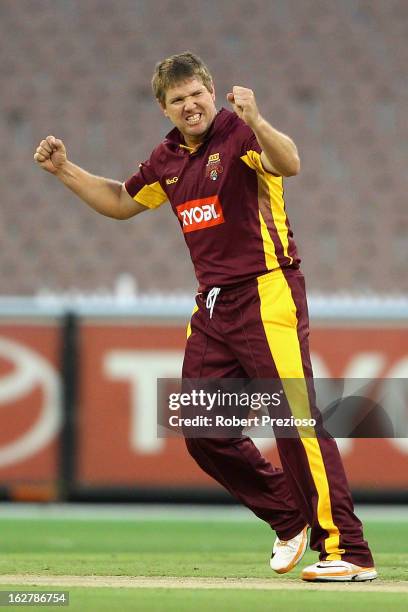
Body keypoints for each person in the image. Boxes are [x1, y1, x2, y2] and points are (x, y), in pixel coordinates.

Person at [34, 51, 376, 582]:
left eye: (196, 94)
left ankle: (348, 551)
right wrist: (63, 170)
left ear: (211, 92)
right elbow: (120, 202)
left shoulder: (240, 135)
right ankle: (289, 517)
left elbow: (290, 163)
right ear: (164, 108)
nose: (190, 105)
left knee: (295, 422)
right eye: (178, 100)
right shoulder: (167, 159)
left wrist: (259, 119)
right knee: (199, 427)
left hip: (267, 292)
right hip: (214, 305)